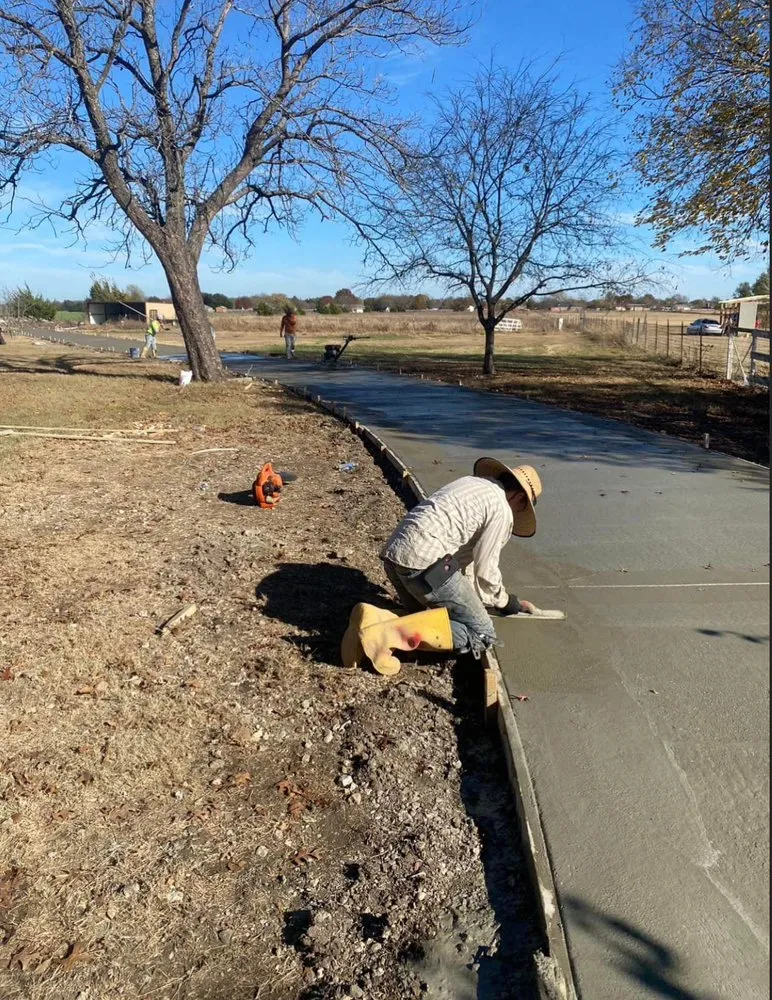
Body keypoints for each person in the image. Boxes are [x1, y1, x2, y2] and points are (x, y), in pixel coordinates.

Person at [341, 458, 542, 675]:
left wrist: (477, 601)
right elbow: (486, 568)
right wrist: (505, 601)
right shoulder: (501, 509)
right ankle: (383, 635)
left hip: (396, 556)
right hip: (424, 564)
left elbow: (464, 560)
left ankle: (373, 620)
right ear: (519, 497)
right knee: (482, 634)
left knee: (426, 617)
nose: (516, 513)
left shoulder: (472, 485)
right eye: (521, 508)